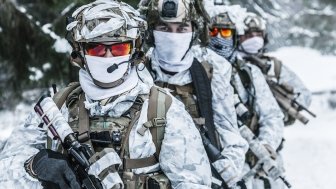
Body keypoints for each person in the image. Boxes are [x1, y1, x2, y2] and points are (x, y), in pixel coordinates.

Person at [0, 1, 213, 189]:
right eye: (97, 49)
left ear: (134, 51)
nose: (108, 56)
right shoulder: (60, 105)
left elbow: (194, 183)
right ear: (80, 53)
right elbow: (5, 174)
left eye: (119, 48)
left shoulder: (163, 110)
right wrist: (35, 165)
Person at [139, 0, 249, 188]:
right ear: (150, 33)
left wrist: (226, 171)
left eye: (182, 29)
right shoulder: (138, 70)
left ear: (194, 32)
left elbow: (230, 135)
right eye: (164, 28)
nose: (173, 37)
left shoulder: (213, 70)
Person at [197, 5, 286, 189]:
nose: (219, 37)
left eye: (225, 32)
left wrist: (266, 145)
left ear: (235, 37)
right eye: (213, 31)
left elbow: (272, 116)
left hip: (249, 166)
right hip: (208, 166)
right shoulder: (193, 72)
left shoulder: (249, 73)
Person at [238, 12, 312, 126]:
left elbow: (305, 95)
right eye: (248, 35)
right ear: (238, 38)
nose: (254, 39)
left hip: (271, 135)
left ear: (264, 36)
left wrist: (284, 105)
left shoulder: (274, 66)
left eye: (258, 34)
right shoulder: (228, 65)